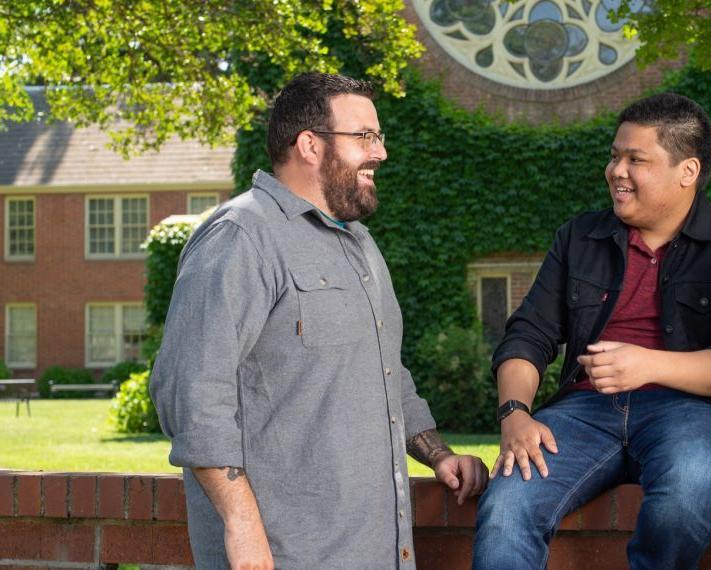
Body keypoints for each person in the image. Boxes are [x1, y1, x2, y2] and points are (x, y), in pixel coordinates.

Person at [150, 72, 487, 569]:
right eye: (364, 137)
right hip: (284, 554)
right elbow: (192, 393)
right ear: (310, 144)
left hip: (377, 552)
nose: (380, 153)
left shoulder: (359, 244)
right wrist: (242, 527)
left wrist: (437, 454)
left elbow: (384, 374)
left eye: (379, 136)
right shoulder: (241, 236)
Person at [472, 93, 711, 569]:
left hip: (696, 414)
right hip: (582, 413)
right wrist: (514, 413)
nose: (616, 170)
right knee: (507, 506)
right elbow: (528, 335)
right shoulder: (580, 236)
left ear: (688, 171)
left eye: (635, 159)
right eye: (614, 156)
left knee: (685, 492)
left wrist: (648, 364)